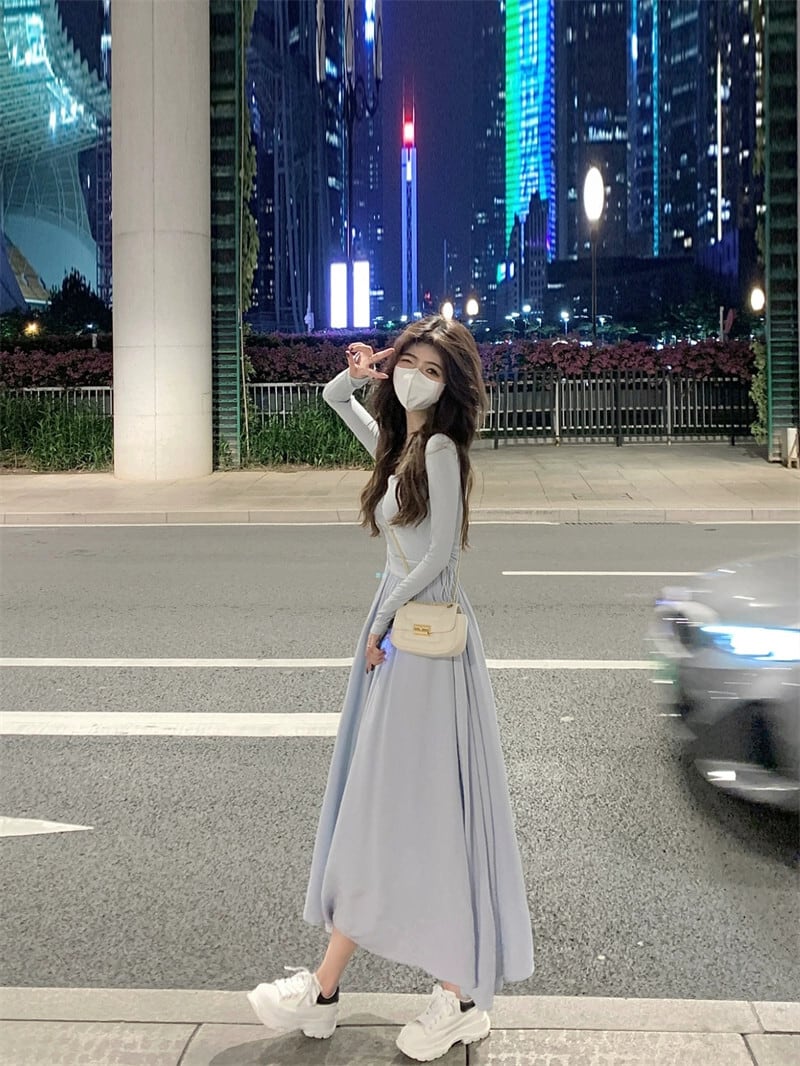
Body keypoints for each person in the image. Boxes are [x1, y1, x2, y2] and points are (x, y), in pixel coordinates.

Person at [248, 315, 534, 1062]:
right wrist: (364, 369)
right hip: (401, 636)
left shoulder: (438, 449)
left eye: (433, 371)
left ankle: (432, 994)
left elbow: (439, 556)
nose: (417, 379)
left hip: (422, 642)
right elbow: (332, 398)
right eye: (412, 364)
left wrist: (379, 623)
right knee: (394, 809)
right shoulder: (399, 445)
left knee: (405, 809)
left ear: (452, 387)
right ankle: (350, 990)